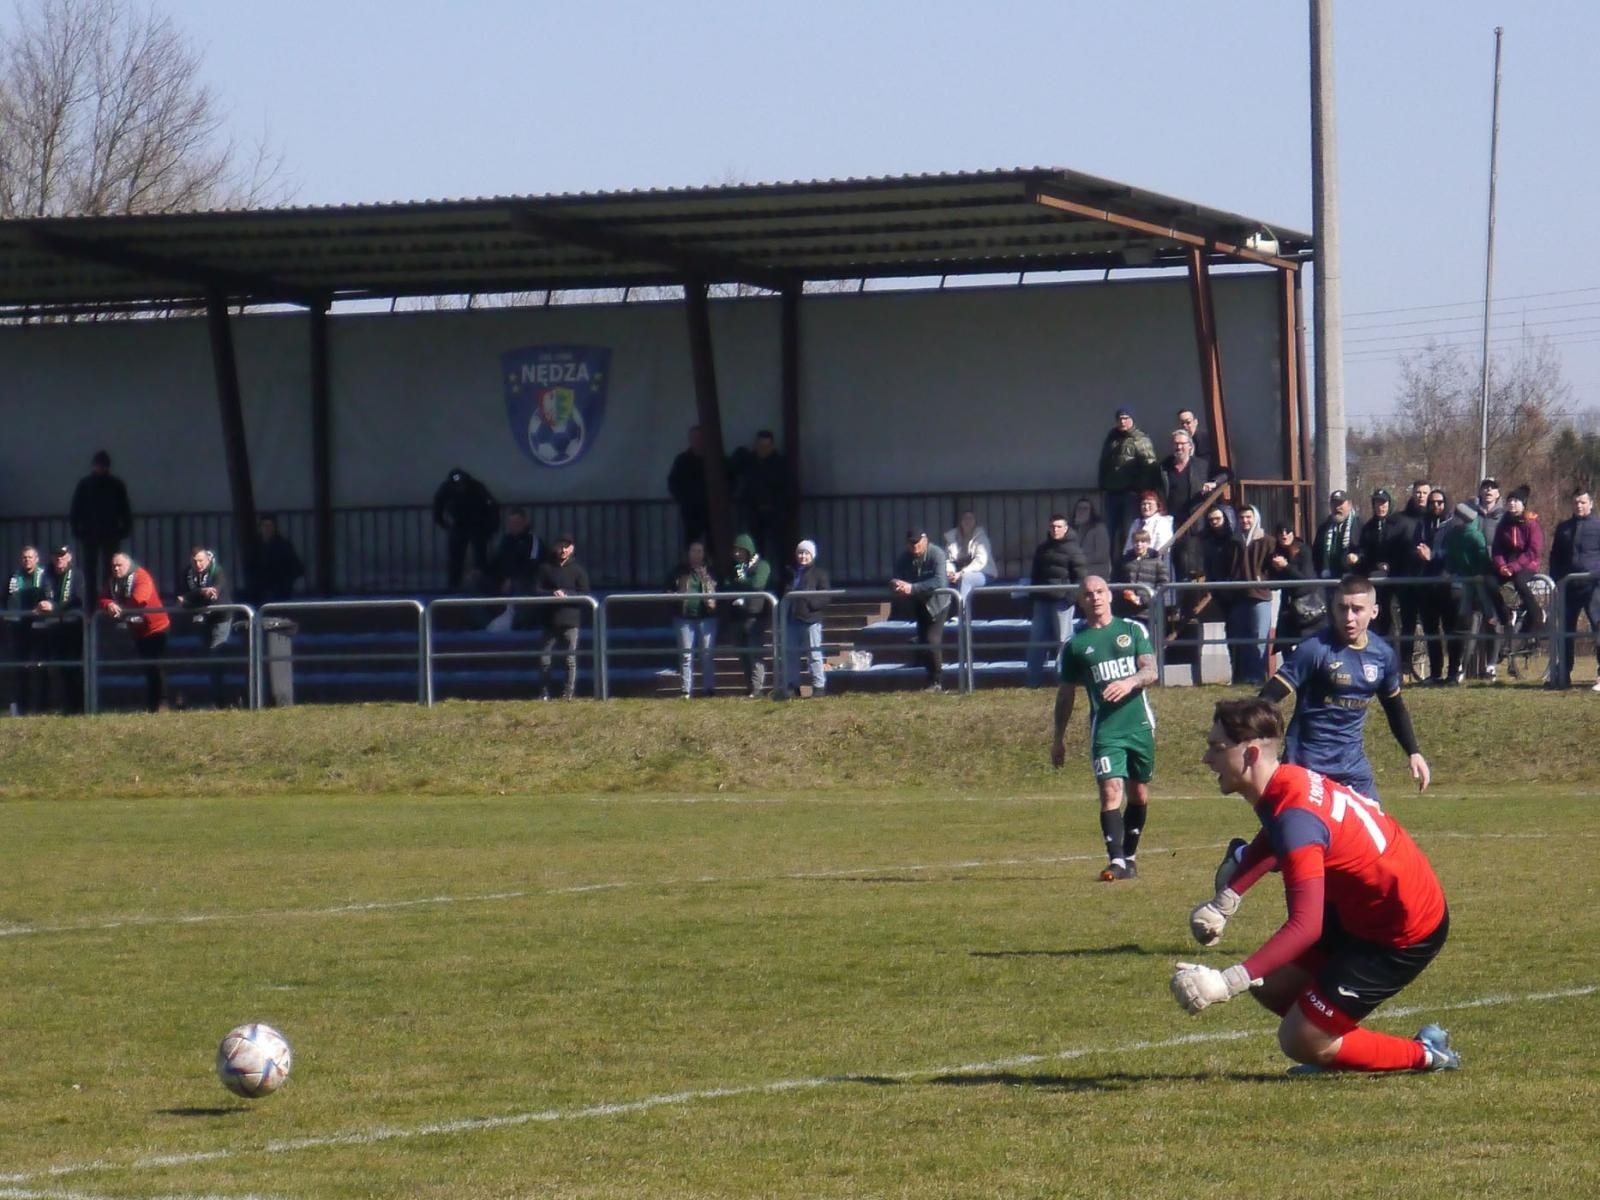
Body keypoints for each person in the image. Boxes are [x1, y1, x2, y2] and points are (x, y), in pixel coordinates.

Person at [1173, 697, 1459, 1075]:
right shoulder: (1287, 782)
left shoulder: (1296, 819)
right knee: (1269, 983)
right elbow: (1273, 835)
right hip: (1362, 909)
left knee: (1298, 1039)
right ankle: (1336, 1046)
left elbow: (1306, 926)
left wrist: (1226, 983)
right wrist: (1228, 899)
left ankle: (1426, 1054)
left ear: (1251, 753)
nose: (1207, 759)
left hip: (1402, 931)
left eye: (1217, 748)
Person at [1258, 574, 1430, 801]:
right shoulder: (1314, 649)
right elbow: (1267, 698)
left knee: (1373, 831)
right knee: (1300, 832)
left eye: (1357, 609)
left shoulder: (1383, 655)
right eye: (1342, 608)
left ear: (1374, 611)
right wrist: (1253, 742)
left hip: (1352, 766)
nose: (1349, 617)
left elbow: (1394, 707)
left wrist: (1413, 752)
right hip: (1307, 765)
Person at [1049, 575, 1158, 882]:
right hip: (1106, 731)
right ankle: (1117, 862)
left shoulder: (1132, 630)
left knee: (1138, 793)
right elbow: (1066, 694)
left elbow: (1151, 670)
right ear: (1080, 601)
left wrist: (1130, 681)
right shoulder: (1075, 645)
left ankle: (1130, 856)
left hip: (1139, 725)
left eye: (1099, 592)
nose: (1095, 597)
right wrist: (1058, 738)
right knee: (1111, 792)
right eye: (1088, 594)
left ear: (1109, 595)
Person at [100, 551, 171, 713]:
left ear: (128, 565)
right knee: (148, 667)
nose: (116, 569)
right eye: (113, 566)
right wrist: (109, 605)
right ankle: (152, 704)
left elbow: (140, 598)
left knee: (157, 666)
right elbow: (103, 597)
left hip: (156, 628)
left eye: (119, 565)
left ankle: (162, 703)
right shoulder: (113, 582)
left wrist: (122, 610)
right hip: (138, 631)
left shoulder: (141, 576)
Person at [1025, 514, 1087, 688]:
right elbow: (1035, 576)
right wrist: (1033, 597)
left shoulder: (1074, 550)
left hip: (1062, 603)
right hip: (1042, 601)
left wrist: (1070, 599)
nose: (1055, 530)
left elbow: (1081, 578)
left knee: (1063, 642)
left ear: (1066, 528)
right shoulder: (1042, 549)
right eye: (1052, 526)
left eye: (1059, 526)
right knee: (1036, 642)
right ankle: (1032, 682)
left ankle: (1064, 681)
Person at [1162, 426, 1230, 581]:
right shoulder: (1164, 467)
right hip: (1172, 523)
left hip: (1196, 522)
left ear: (1190, 446)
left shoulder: (1202, 465)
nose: (1179, 447)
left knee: (1193, 565)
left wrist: (1214, 482)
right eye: (1176, 444)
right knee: (1175, 563)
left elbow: (1227, 473)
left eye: (1182, 443)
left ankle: (1191, 597)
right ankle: (1177, 600)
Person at [1549, 487, 1600, 690]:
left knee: (1598, 627)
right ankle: (1564, 672)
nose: (1579, 506)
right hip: (1569, 587)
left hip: (1594, 586)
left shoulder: (1598, 526)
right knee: (1565, 630)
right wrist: (1556, 580)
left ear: (1591, 504)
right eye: (1576, 502)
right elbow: (1555, 557)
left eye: (1583, 502)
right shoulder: (1564, 528)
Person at [1444, 501, 1501, 683]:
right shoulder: (1463, 535)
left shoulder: (1472, 536)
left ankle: (1484, 663)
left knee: (1485, 618)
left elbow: (1480, 558)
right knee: (1470, 620)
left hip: (1477, 581)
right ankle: (1463, 665)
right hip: (1469, 581)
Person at [891, 528, 952, 692]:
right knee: (924, 641)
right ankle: (930, 678)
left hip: (938, 604)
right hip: (919, 604)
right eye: (911, 543)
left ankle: (936, 681)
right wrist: (897, 584)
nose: (914, 546)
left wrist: (913, 587)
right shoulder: (904, 558)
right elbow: (895, 575)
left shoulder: (936, 554)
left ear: (925, 540)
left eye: (917, 542)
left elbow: (940, 581)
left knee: (932, 640)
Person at [68, 449, 132, 603]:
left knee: (108, 571)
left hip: (101, 533)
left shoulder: (91, 484)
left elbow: (124, 509)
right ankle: (95, 604)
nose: (100, 468)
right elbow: (76, 509)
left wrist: (124, 529)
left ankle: (105, 601)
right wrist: (77, 529)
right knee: (93, 572)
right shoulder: (111, 485)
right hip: (98, 533)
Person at [533, 532, 590, 700]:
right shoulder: (545, 568)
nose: (563, 550)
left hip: (570, 620)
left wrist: (567, 594)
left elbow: (584, 593)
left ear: (572, 549)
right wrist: (552, 593)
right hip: (548, 620)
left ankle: (568, 693)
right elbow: (536, 590)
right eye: (560, 546)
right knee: (545, 659)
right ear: (555, 547)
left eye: (567, 546)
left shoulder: (578, 570)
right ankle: (544, 693)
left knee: (569, 659)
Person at [177, 546, 236, 708]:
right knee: (210, 656)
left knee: (216, 654)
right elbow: (183, 597)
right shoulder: (188, 573)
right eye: (195, 561)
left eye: (201, 561)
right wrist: (199, 593)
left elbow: (216, 590)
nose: (198, 564)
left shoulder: (217, 571)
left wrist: (197, 595)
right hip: (202, 619)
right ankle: (218, 697)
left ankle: (221, 699)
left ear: (208, 559)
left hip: (221, 617)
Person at [1097, 408, 1160, 550]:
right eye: (1120, 419)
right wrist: (1102, 485)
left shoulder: (1140, 438)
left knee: (1129, 532)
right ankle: (1113, 569)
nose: (1122, 422)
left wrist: (1140, 488)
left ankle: (1129, 566)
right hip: (1111, 493)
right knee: (1109, 535)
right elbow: (1104, 462)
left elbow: (1150, 465)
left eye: (1126, 418)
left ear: (1132, 419)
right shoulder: (1112, 438)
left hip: (1130, 493)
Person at [1490, 484, 1546, 641]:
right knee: (1489, 582)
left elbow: (1533, 550)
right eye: (1510, 501)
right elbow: (1497, 549)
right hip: (1507, 564)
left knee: (1519, 582)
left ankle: (1536, 615)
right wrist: (1501, 565)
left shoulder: (1531, 523)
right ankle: (1505, 616)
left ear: (1523, 504)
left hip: (1527, 564)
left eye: (1516, 501)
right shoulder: (1503, 524)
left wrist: (1514, 567)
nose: (1512, 504)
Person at [1412, 488, 1456, 684]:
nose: (1436, 506)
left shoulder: (1453, 524)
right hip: (1426, 583)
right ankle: (1436, 673)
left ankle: (1453, 673)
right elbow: (1416, 546)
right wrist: (1420, 554)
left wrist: (1433, 556)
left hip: (1446, 583)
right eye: (1432, 503)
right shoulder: (1422, 524)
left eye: (1439, 502)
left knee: (1451, 630)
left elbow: (1453, 551)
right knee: (1431, 630)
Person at [720, 533, 772, 698]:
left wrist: (739, 584)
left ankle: (758, 688)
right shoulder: (733, 568)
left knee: (754, 653)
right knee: (742, 654)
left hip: (754, 615)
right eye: (735, 550)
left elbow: (758, 584)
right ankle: (749, 686)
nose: (737, 554)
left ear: (748, 550)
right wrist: (739, 585)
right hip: (736, 616)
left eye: (740, 550)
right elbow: (725, 587)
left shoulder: (762, 565)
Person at [433, 468, 500, 591]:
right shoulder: (446, 488)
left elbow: (492, 506)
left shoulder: (476, 487)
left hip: (478, 524)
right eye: (457, 486)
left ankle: (482, 586)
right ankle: (453, 587)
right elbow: (438, 504)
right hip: (459, 524)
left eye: (462, 485)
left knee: (480, 558)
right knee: (455, 558)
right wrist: (442, 523)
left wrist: (492, 528)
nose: (460, 488)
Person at [728, 430, 789, 564]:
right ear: (755, 445)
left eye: (766, 447)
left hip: (774, 512)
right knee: (754, 549)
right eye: (760, 446)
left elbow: (787, 487)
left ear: (772, 447)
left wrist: (781, 507)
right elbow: (732, 469)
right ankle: (756, 580)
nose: (763, 450)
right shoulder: (749, 461)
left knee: (780, 548)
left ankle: (785, 579)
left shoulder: (780, 463)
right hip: (753, 511)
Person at [1226, 506, 1272, 685]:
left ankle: (1258, 678)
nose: (1245, 521)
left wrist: (1264, 579)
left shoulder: (1267, 541)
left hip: (1260, 596)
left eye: (1248, 517)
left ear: (1255, 518)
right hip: (1238, 597)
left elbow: (1274, 564)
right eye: (1242, 517)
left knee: (1259, 638)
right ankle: (1242, 678)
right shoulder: (1233, 542)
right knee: (1242, 640)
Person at [37, 546, 85, 714]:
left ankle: (80, 705)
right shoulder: (47, 575)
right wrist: (43, 604)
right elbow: (43, 594)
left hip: (73, 627)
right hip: (55, 627)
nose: (59, 559)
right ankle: (68, 705)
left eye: (62, 556)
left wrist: (55, 607)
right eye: (56, 556)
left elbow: (77, 600)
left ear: (69, 557)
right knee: (62, 667)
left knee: (75, 666)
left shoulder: (76, 575)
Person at [1393, 480, 1433, 680]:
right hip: (1407, 580)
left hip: (1428, 580)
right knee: (1407, 625)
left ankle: (1434, 671)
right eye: (1418, 492)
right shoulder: (1400, 519)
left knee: (1430, 624)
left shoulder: (1434, 519)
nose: (1421, 496)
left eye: (1425, 492)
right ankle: (1405, 666)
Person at [1264, 522, 1323, 655]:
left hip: (1306, 604)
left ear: (1293, 534)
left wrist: (1286, 566)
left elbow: (1305, 580)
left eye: (1287, 532)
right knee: (1285, 643)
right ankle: (1289, 674)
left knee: (1306, 644)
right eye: (1280, 532)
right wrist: (1269, 578)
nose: (1284, 535)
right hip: (1287, 606)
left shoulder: (1303, 551)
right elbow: (1277, 583)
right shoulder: (1277, 553)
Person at [670, 540, 718, 699]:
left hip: (707, 618)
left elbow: (722, 587)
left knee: (706, 654)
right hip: (684, 618)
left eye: (699, 551)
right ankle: (686, 690)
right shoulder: (679, 571)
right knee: (686, 654)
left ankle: (708, 689)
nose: (696, 554)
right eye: (693, 551)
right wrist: (674, 595)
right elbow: (667, 589)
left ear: (704, 554)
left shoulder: (710, 571)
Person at [782, 539, 830, 698]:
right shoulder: (792, 573)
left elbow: (825, 596)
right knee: (791, 655)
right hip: (792, 620)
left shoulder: (819, 574)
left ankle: (818, 686)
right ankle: (792, 686)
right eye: (800, 553)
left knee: (814, 655)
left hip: (811, 620)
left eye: (806, 553)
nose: (802, 556)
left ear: (812, 555)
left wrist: (811, 604)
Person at [6, 546, 49, 714]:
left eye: (30, 557)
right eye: (24, 557)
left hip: (39, 627)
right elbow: (6, 598)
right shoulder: (14, 577)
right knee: (21, 668)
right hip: (19, 627)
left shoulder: (44, 576)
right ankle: (22, 706)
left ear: (37, 559)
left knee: (41, 667)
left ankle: (42, 706)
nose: (27, 560)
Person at [487, 507, 542, 627]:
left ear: (525, 522)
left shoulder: (533, 541)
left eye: (517, 523)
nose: (513, 526)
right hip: (505, 582)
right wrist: (480, 571)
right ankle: (482, 623)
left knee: (520, 587)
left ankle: (518, 624)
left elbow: (532, 565)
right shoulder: (506, 541)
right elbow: (496, 561)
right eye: (511, 523)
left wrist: (512, 579)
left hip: (526, 584)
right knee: (481, 583)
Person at [1357, 488, 1400, 639]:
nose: (1380, 507)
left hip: (1394, 579)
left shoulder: (1397, 524)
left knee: (1392, 620)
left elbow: (1402, 549)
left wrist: (1390, 565)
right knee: (1375, 618)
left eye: (1383, 503)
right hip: (1374, 580)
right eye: (1377, 503)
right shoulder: (1368, 528)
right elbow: (1364, 551)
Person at [244, 514, 305, 606]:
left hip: (280, 590)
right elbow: (249, 567)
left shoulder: (284, 545)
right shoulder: (255, 546)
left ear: (275, 528)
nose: (267, 529)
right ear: (260, 528)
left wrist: (286, 583)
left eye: (270, 526)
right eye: (264, 526)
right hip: (259, 591)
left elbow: (296, 567)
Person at [667, 425, 711, 549]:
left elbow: (728, 480)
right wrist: (683, 499)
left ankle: (714, 567)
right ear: (690, 439)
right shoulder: (682, 460)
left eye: (699, 437)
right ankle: (694, 567)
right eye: (694, 437)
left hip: (711, 510)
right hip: (692, 511)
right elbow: (673, 482)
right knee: (692, 545)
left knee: (714, 546)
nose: (697, 440)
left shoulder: (714, 458)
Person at [1113, 526, 1168, 623]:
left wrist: (1144, 599)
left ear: (1148, 543)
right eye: (1136, 542)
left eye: (1143, 542)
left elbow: (1163, 584)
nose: (1139, 545)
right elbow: (1116, 580)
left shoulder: (1157, 562)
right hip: (1127, 609)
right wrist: (1125, 593)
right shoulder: (1124, 560)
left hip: (1148, 611)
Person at [942, 509, 992, 605]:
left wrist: (961, 573)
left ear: (975, 522)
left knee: (966, 578)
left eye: (971, 518)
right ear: (960, 522)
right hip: (957, 574)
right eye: (965, 518)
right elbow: (947, 560)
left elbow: (980, 561)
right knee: (941, 577)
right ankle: (941, 613)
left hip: (983, 573)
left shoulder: (981, 538)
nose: (967, 521)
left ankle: (962, 613)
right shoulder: (952, 538)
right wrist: (950, 572)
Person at [1311, 490, 1360, 579]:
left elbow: (1366, 550)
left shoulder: (1359, 525)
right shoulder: (1323, 528)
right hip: (1328, 579)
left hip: (1352, 579)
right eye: (1334, 504)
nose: (1337, 508)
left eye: (1340, 504)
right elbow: (1316, 553)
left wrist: (1357, 557)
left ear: (1349, 505)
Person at [1070, 498, 1113, 582]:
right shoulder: (1071, 530)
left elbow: (1101, 555)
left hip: (1097, 574)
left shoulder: (1099, 529)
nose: (1081, 511)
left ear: (1091, 512)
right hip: (1077, 573)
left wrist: (1078, 560)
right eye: (1079, 508)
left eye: (1085, 509)